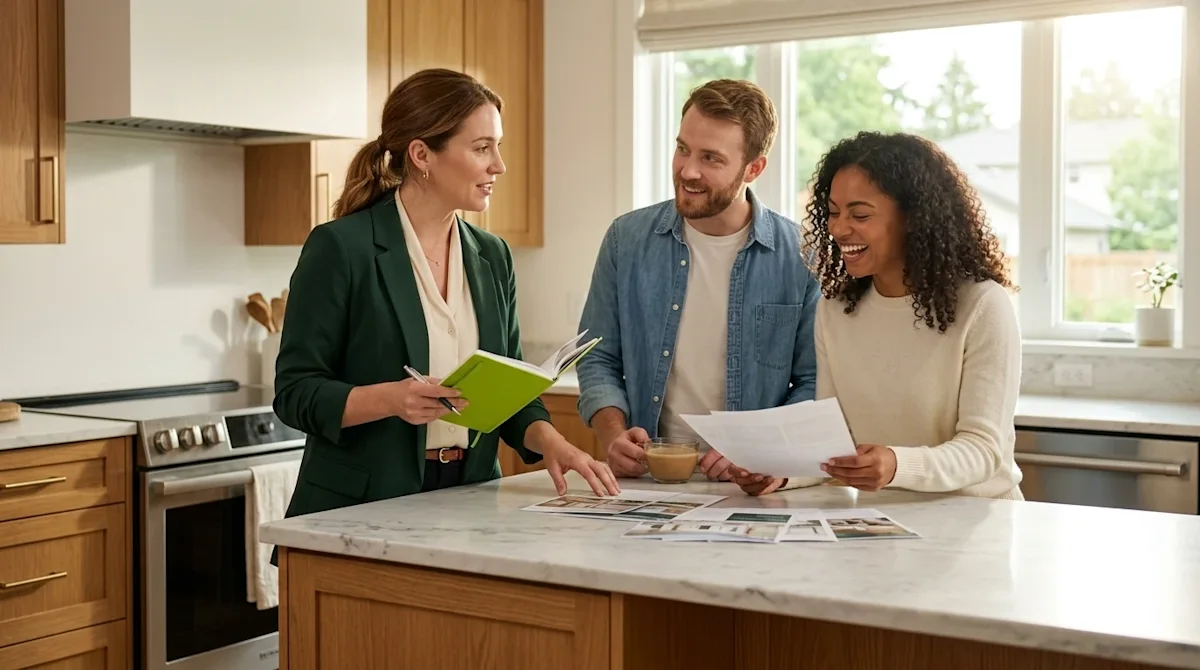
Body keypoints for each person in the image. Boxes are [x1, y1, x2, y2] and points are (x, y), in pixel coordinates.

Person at [273, 68, 619, 531]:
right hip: (359, 509)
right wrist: (391, 399)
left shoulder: (492, 256)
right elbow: (295, 393)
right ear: (422, 155)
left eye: (497, 146)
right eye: (481, 148)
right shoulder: (341, 248)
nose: (499, 164)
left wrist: (552, 441)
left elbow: (512, 388)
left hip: (472, 496)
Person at [734, 131, 1023, 499]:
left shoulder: (983, 305)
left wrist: (896, 465)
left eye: (860, 214)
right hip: (883, 526)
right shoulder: (835, 309)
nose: (838, 229)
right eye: (834, 213)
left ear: (914, 219)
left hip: (979, 527)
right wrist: (781, 475)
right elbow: (833, 443)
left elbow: (983, 450)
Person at [576, 78, 821, 487]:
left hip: (751, 489)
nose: (688, 170)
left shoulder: (801, 256)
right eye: (683, 148)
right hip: (648, 484)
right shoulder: (626, 240)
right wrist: (612, 434)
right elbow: (597, 356)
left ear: (754, 168)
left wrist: (760, 448)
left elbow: (816, 381)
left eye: (711, 158)